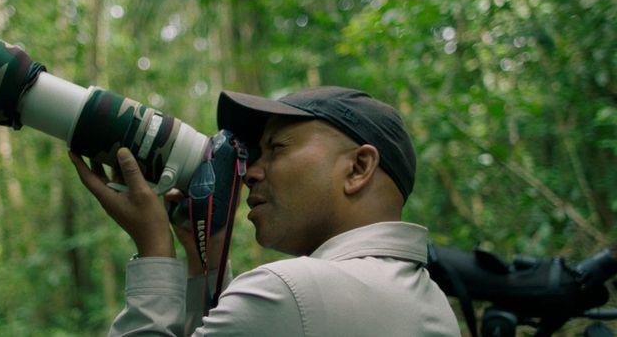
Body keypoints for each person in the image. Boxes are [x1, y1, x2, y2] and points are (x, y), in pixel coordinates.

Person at [70, 86, 461, 336]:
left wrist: (154, 247)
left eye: (277, 148)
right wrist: (204, 256)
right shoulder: (431, 303)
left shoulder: (291, 291)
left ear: (358, 168)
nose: (251, 172)